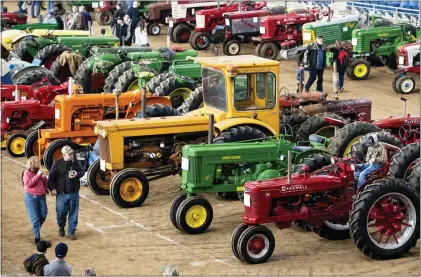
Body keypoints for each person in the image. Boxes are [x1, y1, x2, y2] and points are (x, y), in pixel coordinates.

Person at [48, 146, 84, 240]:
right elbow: (51, 178)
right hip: (61, 193)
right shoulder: (57, 163)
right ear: (63, 155)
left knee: (74, 213)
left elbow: (82, 171)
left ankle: (71, 231)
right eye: (69, 154)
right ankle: (61, 226)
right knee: (60, 213)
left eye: (72, 153)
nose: (72, 155)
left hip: (74, 192)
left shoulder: (75, 161)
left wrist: (77, 174)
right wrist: (52, 188)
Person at [23, 156, 49, 243]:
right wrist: (37, 176)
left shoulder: (39, 171)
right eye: (37, 162)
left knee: (43, 215)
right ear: (32, 163)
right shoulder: (27, 173)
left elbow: (46, 183)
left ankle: (35, 228)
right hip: (31, 197)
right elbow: (28, 184)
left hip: (41, 196)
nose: (39, 163)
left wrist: (44, 176)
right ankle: (37, 237)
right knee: (35, 218)